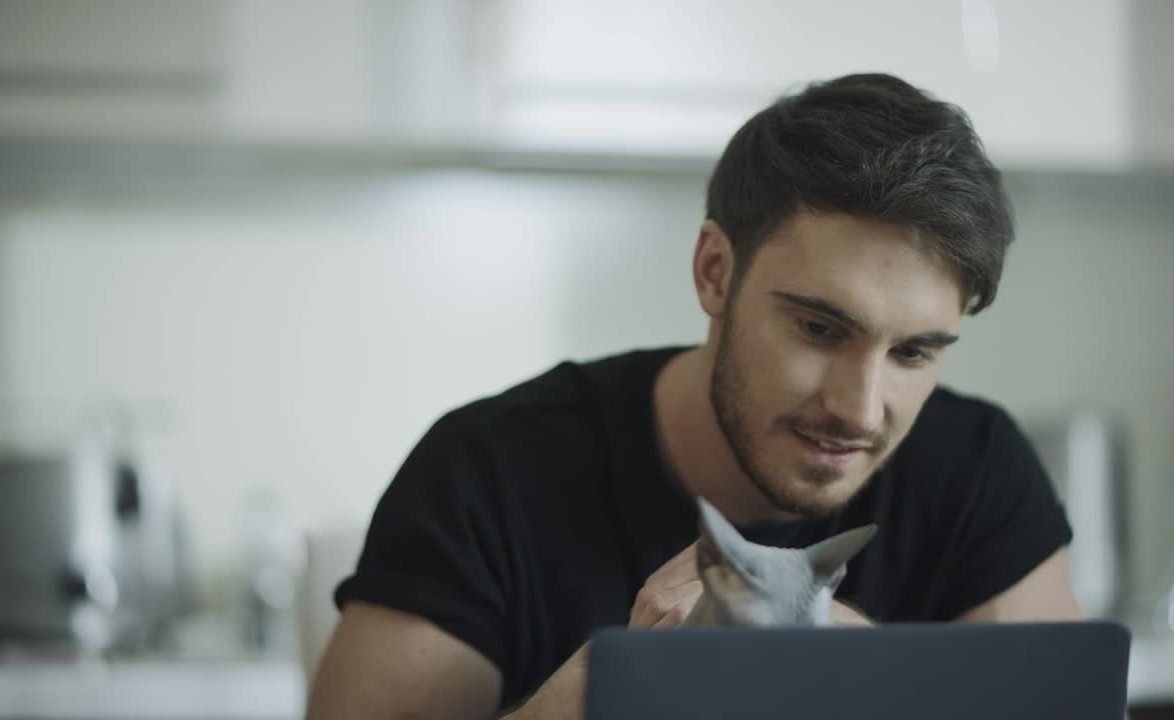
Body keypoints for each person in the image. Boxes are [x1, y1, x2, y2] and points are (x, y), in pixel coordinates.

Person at [306, 73, 1084, 720]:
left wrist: (874, 674)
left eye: (914, 352)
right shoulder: (486, 473)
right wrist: (584, 704)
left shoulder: (977, 467)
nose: (858, 407)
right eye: (818, 328)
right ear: (715, 272)